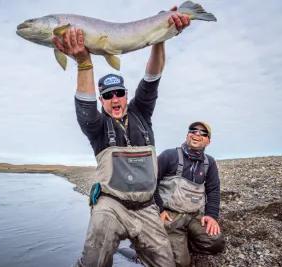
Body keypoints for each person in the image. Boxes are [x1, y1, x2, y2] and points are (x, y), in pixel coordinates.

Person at [52, 7, 190, 267]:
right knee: (93, 261)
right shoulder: (96, 126)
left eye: (119, 93)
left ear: (126, 94)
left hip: (147, 207)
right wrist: (83, 63)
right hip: (110, 206)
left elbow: (153, 76)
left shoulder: (142, 113)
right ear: (102, 100)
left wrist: (162, 33)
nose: (114, 99)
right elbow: (84, 102)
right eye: (107, 95)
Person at [154, 122, 225, 266]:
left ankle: (184, 240)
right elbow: (150, 183)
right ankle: (168, 242)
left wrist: (211, 216)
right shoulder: (169, 155)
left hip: (194, 215)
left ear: (208, 141)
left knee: (216, 243)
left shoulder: (209, 163)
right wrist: (159, 210)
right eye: (193, 131)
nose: (197, 134)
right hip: (170, 216)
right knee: (181, 263)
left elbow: (213, 190)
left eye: (203, 133)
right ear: (188, 135)